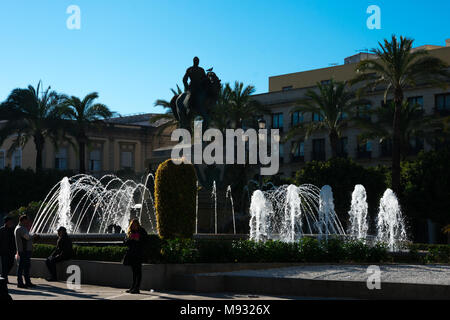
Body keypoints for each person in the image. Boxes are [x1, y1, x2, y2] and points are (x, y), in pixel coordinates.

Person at [122, 219, 148, 294]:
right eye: (132, 225)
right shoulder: (130, 232)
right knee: (134, 272)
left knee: (138, 271)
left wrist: (138, 239)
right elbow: (125, 242)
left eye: (135, 225)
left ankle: (137, 288)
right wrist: (130, 239)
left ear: (138, 225)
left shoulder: (142, 231)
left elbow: (145, 240)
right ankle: (133, 287)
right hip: (132, 254)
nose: (134, 226)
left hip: (139, 254)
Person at [14, 215, 37, 289]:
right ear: (23, 220)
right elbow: (27, 237)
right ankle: (20, 283)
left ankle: (27, 282)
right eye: (27, 220)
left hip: (24, 251)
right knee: (22, 268)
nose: (28, 222)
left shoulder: (20, 228)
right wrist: (34, 235)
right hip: (24, 251)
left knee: (26, 267)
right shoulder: (20, 228)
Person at [0, 216, 16, 283]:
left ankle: (4, 276)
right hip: (4, 251)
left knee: (11, 263)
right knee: (4, 265)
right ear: (7, 222)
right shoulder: (2, 229)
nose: (11, 222)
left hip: (11, 250)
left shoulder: (12, 229)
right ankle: (4, 278)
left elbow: (14, 240)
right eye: (10, 221)